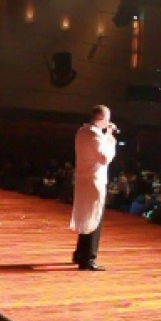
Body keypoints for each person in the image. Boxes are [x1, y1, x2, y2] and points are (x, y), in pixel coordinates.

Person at [70, 105, 117, 270]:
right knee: (94, 217)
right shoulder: (94, 136)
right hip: (93, 181)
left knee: (85, 216)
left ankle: (79, 254)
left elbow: (95, 146)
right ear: (102, 118)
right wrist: (110, 139)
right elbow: (104, 158)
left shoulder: (82, 131)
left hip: (83, 180)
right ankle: (88, 259)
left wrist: (105, 135)